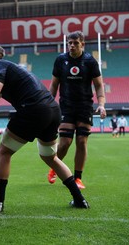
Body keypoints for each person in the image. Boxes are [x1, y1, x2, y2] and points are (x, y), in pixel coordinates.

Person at [0, 41, 89, 212]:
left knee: (4, 152)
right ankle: (79, 199)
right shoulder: (7, 68)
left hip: (33, 111)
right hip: (52, 111)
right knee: (51, 158)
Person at [47, 31, 107, 189]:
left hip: (85, 106)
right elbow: (54, 84)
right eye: (69, 43)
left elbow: (99, 86)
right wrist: (47, 103)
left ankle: (78, 178)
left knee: (81, 141)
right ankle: (54, 168)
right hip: (66, 105)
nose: (71, 46)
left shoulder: (90, 61)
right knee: (65, 142)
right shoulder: (61, 60)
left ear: (82, 44)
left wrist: (101, 104)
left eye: (75, 43)